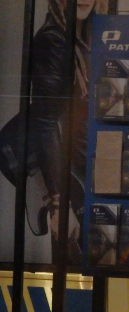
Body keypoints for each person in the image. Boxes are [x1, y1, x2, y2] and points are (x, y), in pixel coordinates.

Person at [0, 0, 107, 264]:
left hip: (81, 173)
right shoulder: (55, 42)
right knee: (75, 267)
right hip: (69, 179)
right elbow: (46, 122)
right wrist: (60, 202)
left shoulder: (89, 39)